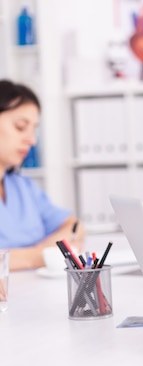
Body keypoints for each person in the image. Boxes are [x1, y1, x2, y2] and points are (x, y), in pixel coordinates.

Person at [0, 79, 84, 271]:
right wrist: (45, 254)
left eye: (33, 130)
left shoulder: (22, 187)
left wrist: (30, 255)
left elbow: (74, 226)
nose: (31, 140)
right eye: (20, 126)